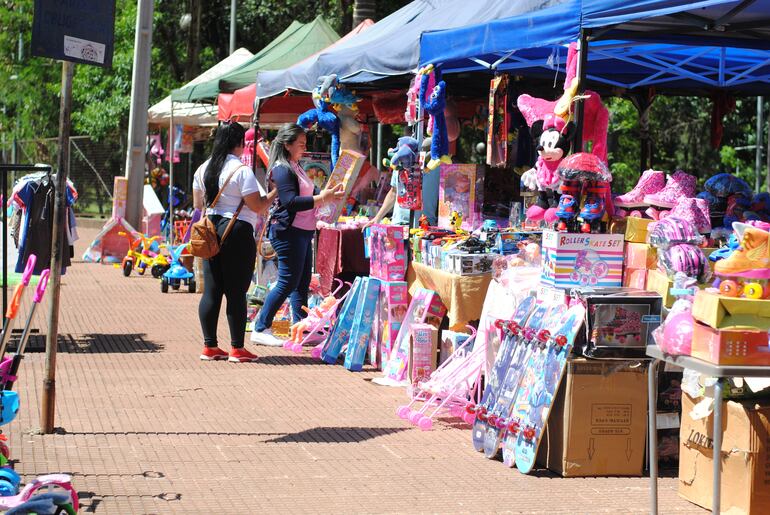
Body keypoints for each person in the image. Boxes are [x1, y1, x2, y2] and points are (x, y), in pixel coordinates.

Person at [251, 124, 344, 346]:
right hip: (287, 232)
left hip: (303, 231)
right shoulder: (282, 169)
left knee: (301, 282)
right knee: (287, 281)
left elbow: (310, 195)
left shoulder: (296, 166)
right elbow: (290, 202)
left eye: (305, 143)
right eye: (301, 144)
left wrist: (328, 196)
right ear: (287, 145)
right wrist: (322, 199)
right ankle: (260, 326)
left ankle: (301, 327)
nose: (305, 147)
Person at [192, 122, 276, 363]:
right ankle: (237, 348)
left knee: (212, 290)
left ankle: (210, 346)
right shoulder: (241, 171)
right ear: (239, 143)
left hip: (210, 231)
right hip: (236, 232)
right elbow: (257, 206)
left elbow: (199, 205)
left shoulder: (202, 169)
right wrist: (274, 193)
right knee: (236, 291)